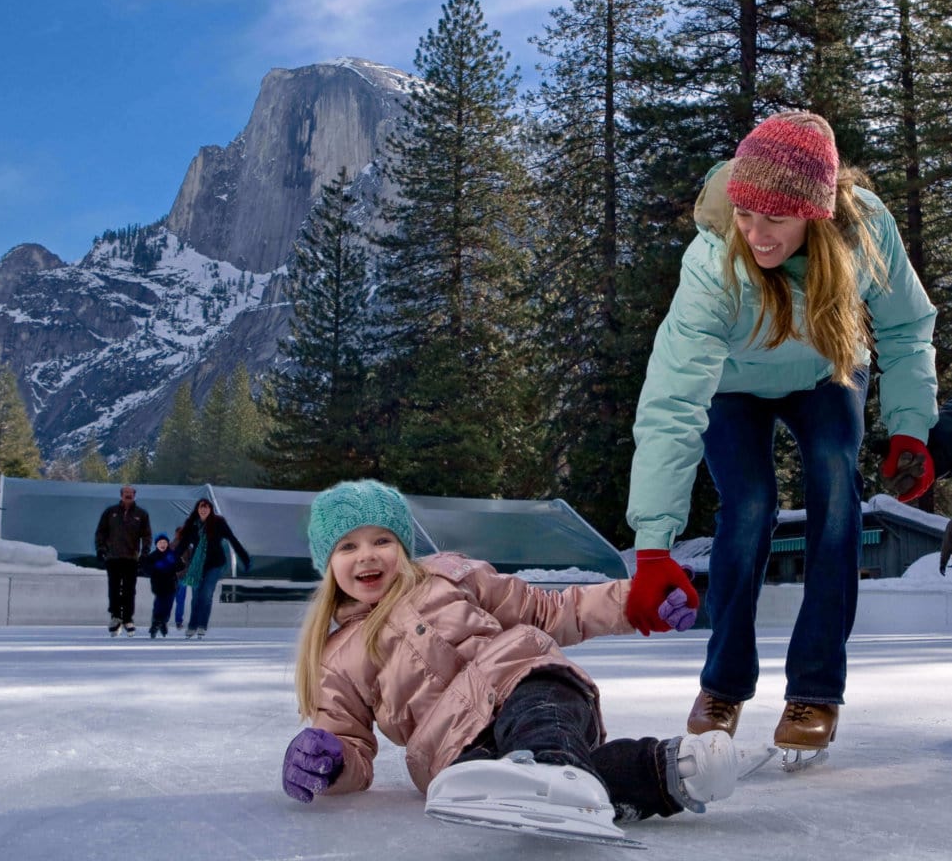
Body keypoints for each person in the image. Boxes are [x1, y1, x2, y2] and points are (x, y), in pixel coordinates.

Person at [624, 112, 938, 762]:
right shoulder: (713, 258)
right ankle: (722, 685)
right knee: (747, 506)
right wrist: (652, 545)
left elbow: (907, 330)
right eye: (745, 214)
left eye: (775, 219)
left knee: (832, 482)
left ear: (815, 216)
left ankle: (815, 690)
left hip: (826, 366)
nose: (755, 234)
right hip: (731, 384)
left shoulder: (862, 230)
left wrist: (911, 427)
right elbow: (671, 398)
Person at [282, 479, 764, 842]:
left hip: (525, 682)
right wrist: (329, 762)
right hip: (454, 748)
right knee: (510, 778)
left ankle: (554, 770)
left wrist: (632, 600)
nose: (367, 556)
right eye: (348, 546)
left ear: (403, 547)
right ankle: (666, 770)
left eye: (381, 540)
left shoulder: (449, 575)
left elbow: (549, 611)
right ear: (327, 563)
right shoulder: (336, 657)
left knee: (539, 721)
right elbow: (350, 745)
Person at [175, 498, 251, 639]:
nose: (203, 510)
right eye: (201, 507)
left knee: (206, 595)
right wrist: (170, 560)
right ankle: (192, 625)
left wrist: (244, 558)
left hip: (215, 564)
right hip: (197, 566)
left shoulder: (218, 523)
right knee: (196, 596)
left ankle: (202, 625)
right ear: (197, 510)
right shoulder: (192, 525)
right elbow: (182, 545)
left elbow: (232, 539)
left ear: (210, 509)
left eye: (206, 507)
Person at [94, 485, 152, 636]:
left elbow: (146, 536)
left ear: (134, 495)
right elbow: (101, 532)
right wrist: (100, 548)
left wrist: (145, 552)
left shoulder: (141, 514)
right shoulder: (110, 512)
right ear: (121, 495)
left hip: (131, 557)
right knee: (113, 588)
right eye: (125, 493)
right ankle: (115, 616)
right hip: (113, 557)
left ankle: (127, 618)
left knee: (129, 590)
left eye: (130, 493)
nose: (128, 495)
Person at [141, 532, 186, 638]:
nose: (162, 544)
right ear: (156, 544)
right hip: (158, 584)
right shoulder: (153, 556)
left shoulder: (172, 554)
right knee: (159, 603)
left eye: (164, 542)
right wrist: (155, 568)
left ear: (167, 544)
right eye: (160, 542)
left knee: (168, 604)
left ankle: (163, 622)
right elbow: (146, 569)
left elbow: (181, 565)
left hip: (171, 584)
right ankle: (156, 623)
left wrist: (174, 563)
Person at [171, 526, 188, 629]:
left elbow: (190, 562)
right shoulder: (170, 546)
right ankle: (176, 621)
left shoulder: (186, 547)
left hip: (181, 578)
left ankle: (178, 621)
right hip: (174, 578)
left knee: (179, 601)